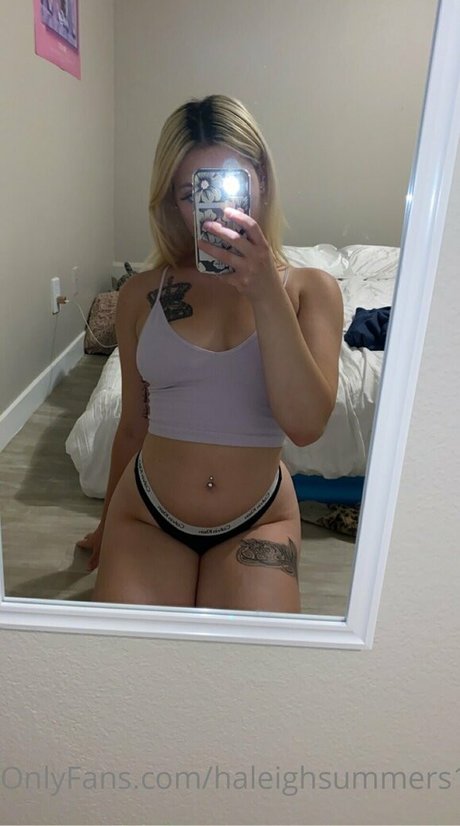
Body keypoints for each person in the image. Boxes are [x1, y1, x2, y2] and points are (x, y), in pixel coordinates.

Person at [77, 94, 344, 612]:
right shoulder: (141, 294)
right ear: (173, 204)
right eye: (191, 194)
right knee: (132, 658)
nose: (217, 210)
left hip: (260, 520)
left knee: (249, 664)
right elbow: (132, 424)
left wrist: (265, 291)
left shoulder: (311, 291)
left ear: (260, 179)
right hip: (147, 515)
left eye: (231, 186)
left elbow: (306, 424)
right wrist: (107, 522)